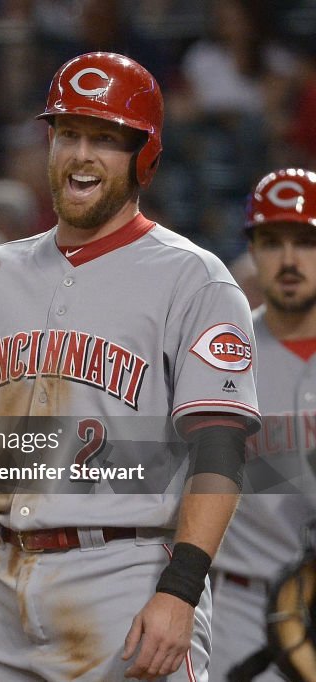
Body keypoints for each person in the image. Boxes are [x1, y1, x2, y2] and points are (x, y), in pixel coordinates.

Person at [0, 51, 260, 681]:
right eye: (69, 134)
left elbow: (221, 451)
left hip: (129, 573)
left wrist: (179, 589)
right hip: (7, 579)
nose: (82, 154)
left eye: (106, 139)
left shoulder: (193, 279)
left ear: (144, 156)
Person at [209, 168, 316, 681]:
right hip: (240, 610)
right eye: (272, 242)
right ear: (253, 251)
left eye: (306, 242)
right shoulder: (216, 356)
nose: (290, 260)